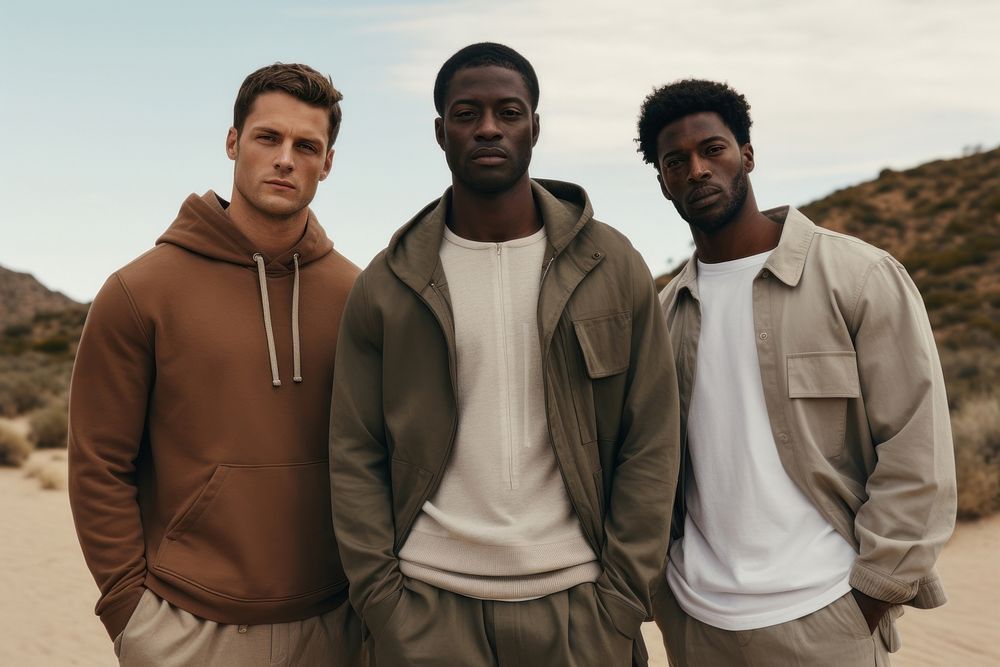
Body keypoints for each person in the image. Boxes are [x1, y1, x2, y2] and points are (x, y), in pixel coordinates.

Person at [329, 42, 680, 667]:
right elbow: (353, 451)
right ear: (441, 132)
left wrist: (622, 601)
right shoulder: (387, 283)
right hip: (426, 608)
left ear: (535, 127)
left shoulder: (612, 264)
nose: (488, 127)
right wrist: (383, 604)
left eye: (508, 112)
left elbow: (651, 436)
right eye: (467, 113)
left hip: (582, 611)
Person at [636, 79, 957, 665]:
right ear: (662, 181)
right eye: (675, 161)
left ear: (747, 155)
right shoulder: (662, 316)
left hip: (828, 617)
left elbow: (917, 446)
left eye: (714, 149)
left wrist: (872, 594)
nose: (698, 170)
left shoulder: (856, 277)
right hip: (698, 624)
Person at [68, 63, 364, 665]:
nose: (285, 159)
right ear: (233, 142)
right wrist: (130, 611)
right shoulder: (139, 291)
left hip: (336, 624)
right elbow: (98, 463)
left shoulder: (360, 297)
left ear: (327, 163)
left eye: (307, 146)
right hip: (186, 629)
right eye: (267, 138)